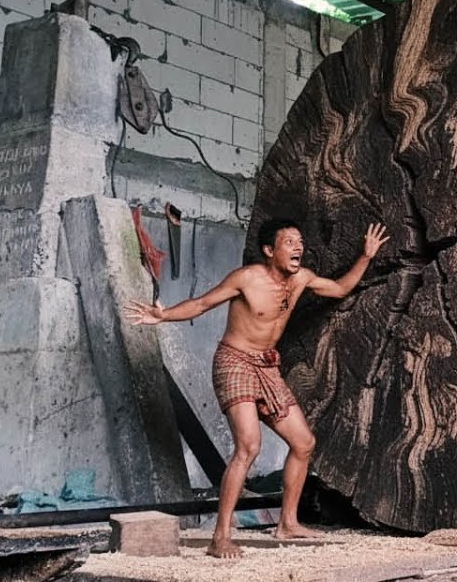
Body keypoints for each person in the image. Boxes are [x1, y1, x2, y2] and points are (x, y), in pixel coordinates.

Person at [124, 218, 390, 559]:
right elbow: (202, 304)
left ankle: (288, 524)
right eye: (289, 242)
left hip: (267, 364)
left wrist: (366, 256)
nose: (298, 247)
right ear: (269, 250)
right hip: (234, 361)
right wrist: (163, 316)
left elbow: (339, 289)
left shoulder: (302, 278)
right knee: (248, 446)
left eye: (300, 241)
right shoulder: (247, 278)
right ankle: (220, 537)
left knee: (304, 442)